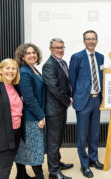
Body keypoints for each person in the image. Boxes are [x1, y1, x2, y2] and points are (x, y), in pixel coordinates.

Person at [69, 30, 104, 178]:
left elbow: (101, 76)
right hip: (83, 101)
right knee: (82, 136)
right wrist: (73, 96)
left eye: (93, 39)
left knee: (94, 134)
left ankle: (93, 159)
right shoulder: (77, 57)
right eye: (88, 39)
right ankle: (84, 165)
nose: (91, 41)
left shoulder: (101, 57)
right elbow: (72, 79)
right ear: (84, 41)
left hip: (97, 100)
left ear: (97, 40)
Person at [42, 38, 73, 179]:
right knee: (53, 141)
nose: (59, 50)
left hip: (61, 108)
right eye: (56, 48)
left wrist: (69, 96)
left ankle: (57, 163)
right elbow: (54, 89)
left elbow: (66, 83)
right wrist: (67, 100)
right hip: (54, 110)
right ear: (50, 49)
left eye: (61, 47)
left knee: (59, 138)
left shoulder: (63, 62)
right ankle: (54, 172)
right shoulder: (49, 65)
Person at [14, 43, 46, 179]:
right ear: (22, 56)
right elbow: (29, 98)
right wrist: (40, 116)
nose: (32, 55)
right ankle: (40, 176)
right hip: (31, 117)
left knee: (26, 148)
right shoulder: (24, 72)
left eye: (34, 52)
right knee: (35, 149)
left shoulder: (34, 69)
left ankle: (21, 175)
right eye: (28, 53)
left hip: (34, 115)